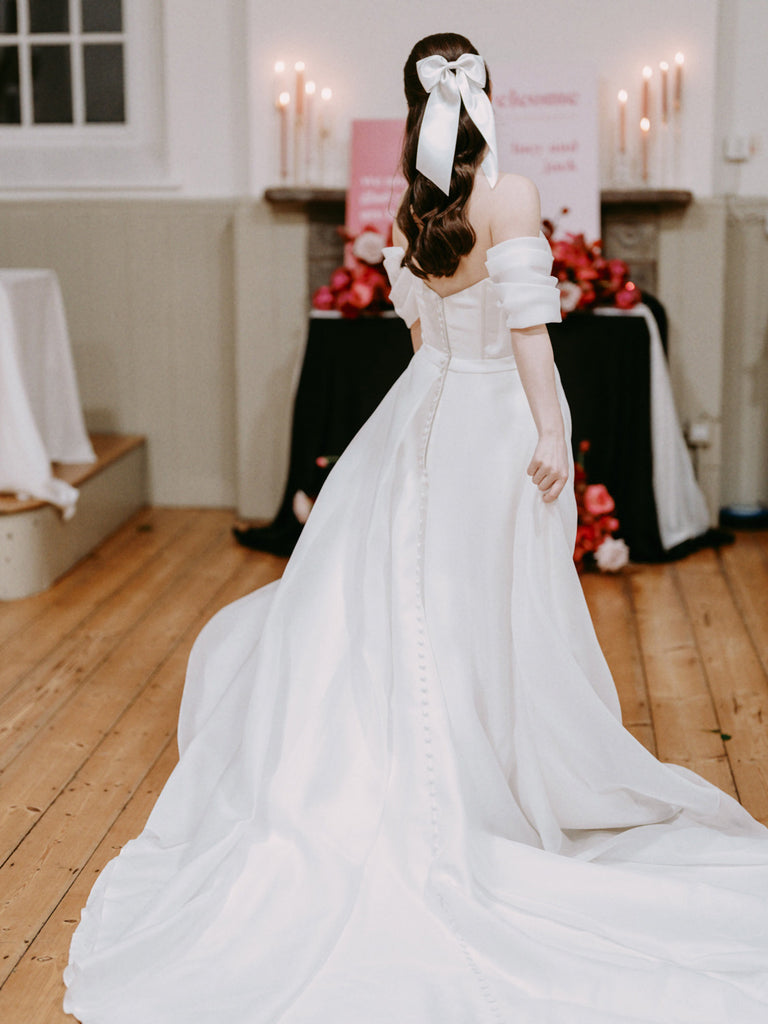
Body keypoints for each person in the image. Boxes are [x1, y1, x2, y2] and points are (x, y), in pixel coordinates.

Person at [64, 32, 768, 1024]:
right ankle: (487, 784)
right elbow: (531, 341)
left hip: (417, 420)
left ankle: (419, 771)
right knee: (482, 608)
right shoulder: (513, 194)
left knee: (406, 602)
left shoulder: (415, 210)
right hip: (493, 426)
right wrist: (557, 439)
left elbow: (418, 335)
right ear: (488, 99)